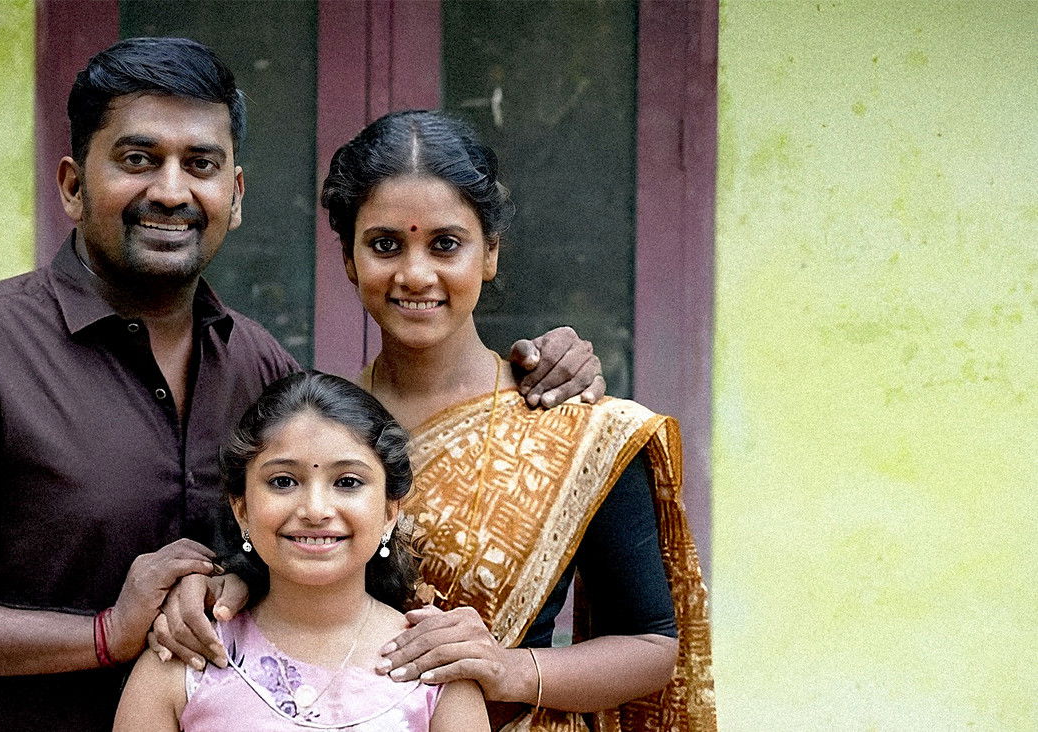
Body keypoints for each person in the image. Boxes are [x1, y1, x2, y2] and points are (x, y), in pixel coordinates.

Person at [0, 38, 602, 731]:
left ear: (234, 195)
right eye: (137, 159)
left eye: (199, 165)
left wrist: (538, 366)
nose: (171, 191)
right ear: (71, 185)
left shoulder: (257, 366)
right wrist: (102, 635)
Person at [157, 110, 715, 731]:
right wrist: (221, 587)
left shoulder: (578, 431)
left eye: (445, 244)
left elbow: (651, 646)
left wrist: (507, 669)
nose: (415, 274)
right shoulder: (309, 429)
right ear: (349, 258)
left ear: (490, 252)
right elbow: (257, 576)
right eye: (384, 245)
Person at [115, 372, 488, 730]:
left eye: (347, 482)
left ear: (391, 511)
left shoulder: (435, 669)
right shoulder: (184, 663)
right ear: (241, 508)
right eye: (283, 481)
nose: (315, 510)